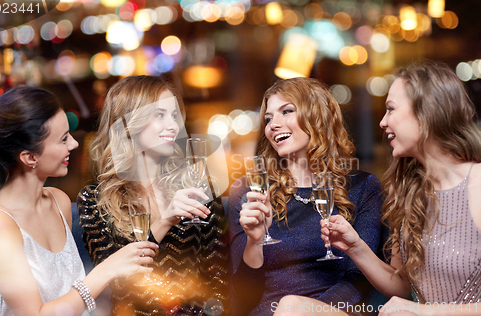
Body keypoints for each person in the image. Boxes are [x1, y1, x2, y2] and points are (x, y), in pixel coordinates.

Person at [276, 60, 481, 316]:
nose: (383, 122)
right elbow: (401, 286)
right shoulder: (406, 191)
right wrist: (355, 248)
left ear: (426, 112)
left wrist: (424, 312)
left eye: (391, 109)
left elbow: (413, 306)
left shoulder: (477, 184)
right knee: (292, 307)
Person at [0, 86, 158, 316]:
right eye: (64, 139)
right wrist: (107, 269)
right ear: (29, 157)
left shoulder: (59, 201)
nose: (74, 144)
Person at [227, 77, 385, 316]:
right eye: (268, 118)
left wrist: (302, 310)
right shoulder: (249, 192)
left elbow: (360, 281)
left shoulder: (362, 187)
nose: (273, 125)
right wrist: (254, 242)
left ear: (317, 116)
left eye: (286, 111)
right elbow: (240, 300)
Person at [78, 75, 229, 315]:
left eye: (174, 115)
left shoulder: (197, 187)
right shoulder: (95, 200)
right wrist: (166, 221)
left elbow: (219, 278)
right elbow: (116, 286)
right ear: (129, 122)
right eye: (160, 115)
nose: (173, 126)